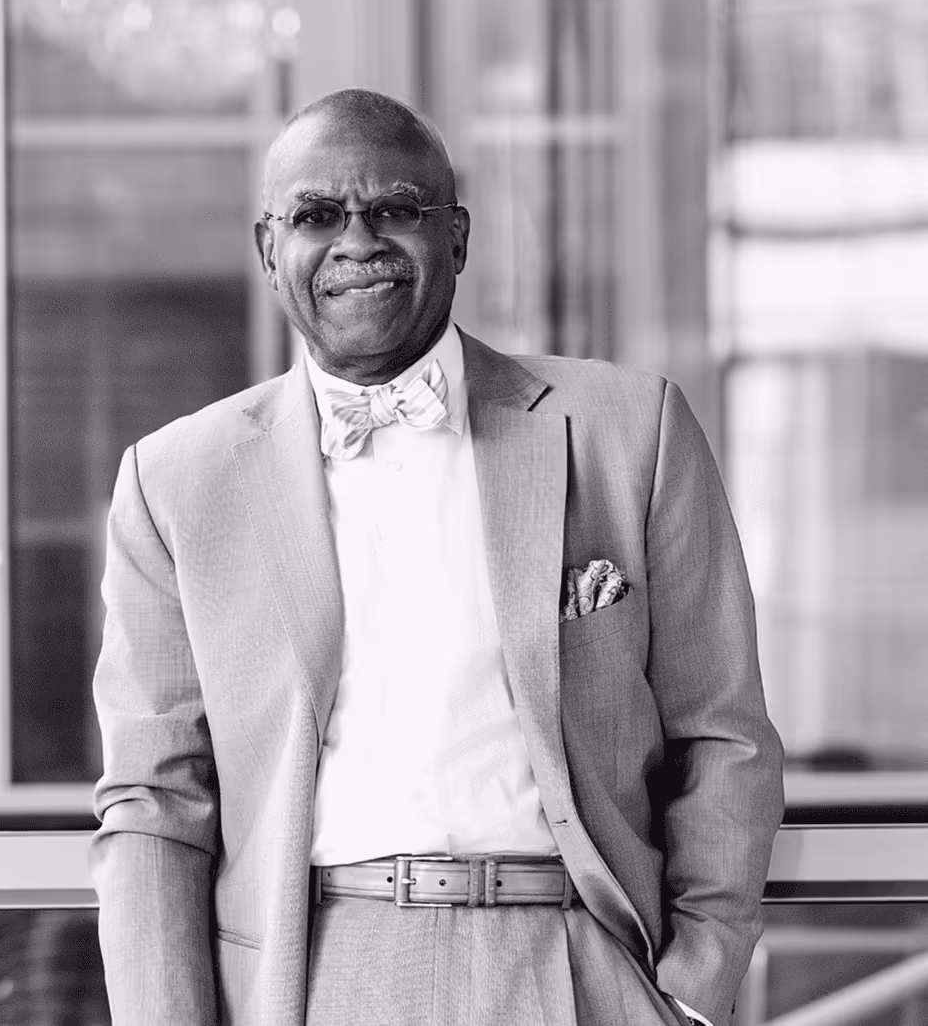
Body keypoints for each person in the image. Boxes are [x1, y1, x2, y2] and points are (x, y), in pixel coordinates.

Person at [90, 88, 784, 1026]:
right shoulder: (175, 481)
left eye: (396, 209)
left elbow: (723, 732)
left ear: (455, 237)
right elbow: (155, 801)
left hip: (579, 963)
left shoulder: (632, 431)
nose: (358, 241)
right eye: (317, 215)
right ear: (268, 250)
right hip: (311, 975)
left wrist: (692, 988)